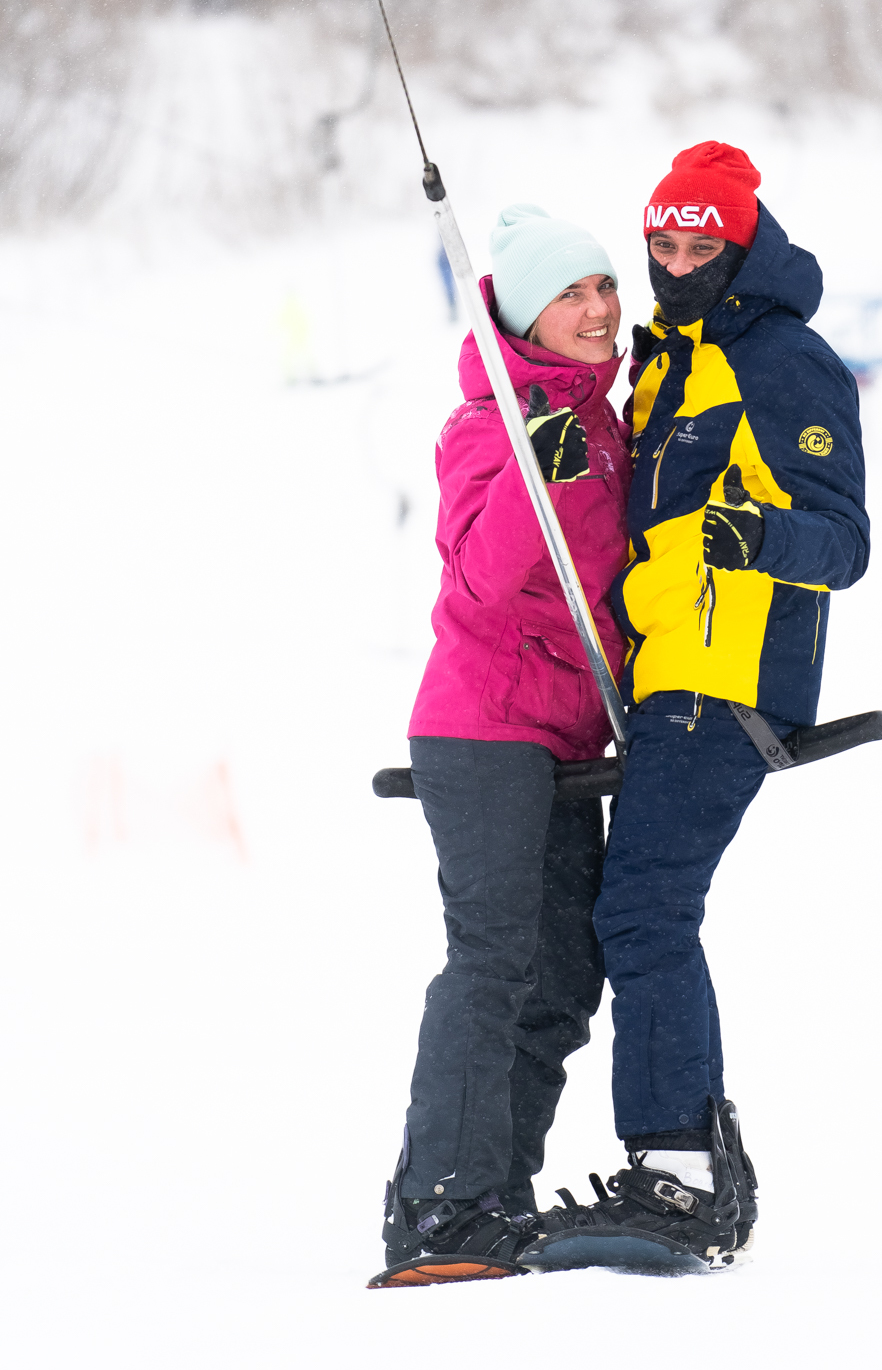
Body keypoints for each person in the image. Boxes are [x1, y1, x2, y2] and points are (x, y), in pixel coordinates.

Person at [528, 141, 869, 1271]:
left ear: (741, 248)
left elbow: (844, 542)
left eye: (698, 248)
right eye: (661, 247)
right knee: (634, 911)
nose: (676, 266)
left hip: (732, 677)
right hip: (663, 676)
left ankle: (679, 1171)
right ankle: (695, 1159)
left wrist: (759, 536)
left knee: (644, 911)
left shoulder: (781, 360)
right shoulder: (666, 364)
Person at [370, 203, 631, 1288]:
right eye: (569, 293)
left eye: (603, 285)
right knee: (491, 961)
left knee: (563, 978)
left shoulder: (603, 424)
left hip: (567, 730)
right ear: (523, 316)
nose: (598, 308)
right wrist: (538, 469)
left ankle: (499, 1190)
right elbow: (480, 583)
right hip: (483, 726)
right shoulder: (490, 428)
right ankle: (442, 1201)